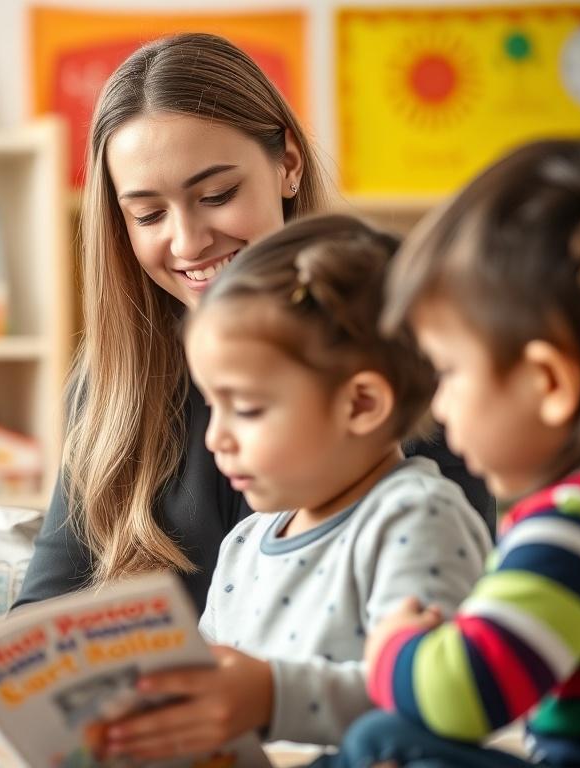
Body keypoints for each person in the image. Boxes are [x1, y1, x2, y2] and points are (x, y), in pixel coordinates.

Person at [14, 32, 493, 615]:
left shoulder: (401, 352)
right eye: (149, 214)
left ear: (287, 164)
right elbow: (46, 611)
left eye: (217, 195)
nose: (188, 241)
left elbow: (441, 644)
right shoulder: (111, 384)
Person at [93, 215, 491, 759]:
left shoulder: (416, 520)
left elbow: (436, 709)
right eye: (215, 406)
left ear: (361, 404)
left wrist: (273, 696)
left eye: (249, 408)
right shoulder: (246, 542)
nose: (216, 439)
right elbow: (217, 695)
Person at [317, 140, 580, 768]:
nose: (439, 407)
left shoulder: (567, 528)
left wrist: (393, 649)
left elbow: (467, 690)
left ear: (548, 384)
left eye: (449, 371)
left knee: (377, 740)